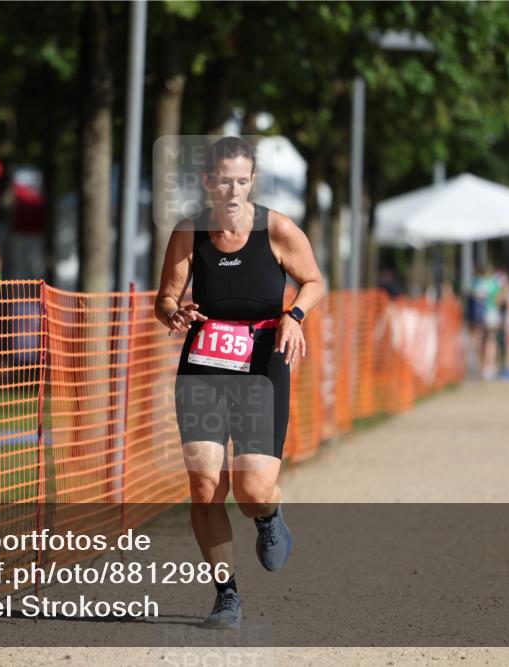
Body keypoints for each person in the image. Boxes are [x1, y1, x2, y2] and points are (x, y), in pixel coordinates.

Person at [154, 137, 325, 630]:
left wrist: (294, 316)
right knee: (206, 484)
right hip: (204, 366)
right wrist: (175, 313)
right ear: (208, 181)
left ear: (252, 181)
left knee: (251, 490)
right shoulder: (189, 232)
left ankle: (268, 515)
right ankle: (226, 595)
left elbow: (314, 282)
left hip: (262, 366)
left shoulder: (278, 229)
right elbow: (165, 298)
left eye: (242, 180)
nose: (232, 190)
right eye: (224, 180)